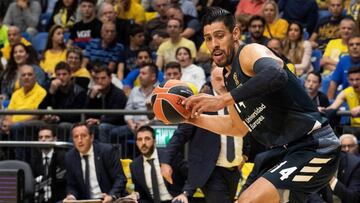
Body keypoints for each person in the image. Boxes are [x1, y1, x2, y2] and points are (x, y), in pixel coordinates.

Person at [182, 7, 340, 203]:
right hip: (286, 152)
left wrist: (223, 99)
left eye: (220, 36)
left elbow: (276, 73)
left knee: (248, 200)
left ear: (236, 33)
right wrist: (189, 118)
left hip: (316, 145)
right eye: (207, 38)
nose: (214, 44)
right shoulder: (229, 78)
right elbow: (236, 127)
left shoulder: (250, 52)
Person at [161, 66, 244, 203]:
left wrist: (244, 153)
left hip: (234, 170)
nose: (223, 83)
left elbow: (245, 129)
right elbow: (180, 134)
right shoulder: (200, 104)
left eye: (226, 79)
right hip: (211, 169)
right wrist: (165, 161)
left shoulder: (238, 100)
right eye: (218, 79)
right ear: (211, 80)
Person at [63, 123, 127, 202]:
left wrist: (111, 195)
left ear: (91, 137)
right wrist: (71, 196)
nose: (79, 140)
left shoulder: (107, 151)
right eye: (76, 137)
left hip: (107, 199)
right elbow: (72, 185)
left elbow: (120, 179)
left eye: (83, 136)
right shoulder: (70, 157)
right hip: (86, 201)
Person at [127, 125, 188, 203]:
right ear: (136, 143)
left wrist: (185, 193)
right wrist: (136, 195)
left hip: (174, 200)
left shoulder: (169, 156)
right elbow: (140, 191)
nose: (143, 143)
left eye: (147, 139)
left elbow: (190, 176)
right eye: (139, 139)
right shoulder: (134, 165)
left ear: (154, 141)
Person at [30, 126, 66, 203]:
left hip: (59, 197)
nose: (43, 139)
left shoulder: (62, 156)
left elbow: (63, 180)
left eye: (47, 137)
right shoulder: (34, 157)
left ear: (55, 139)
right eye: (40, 137)